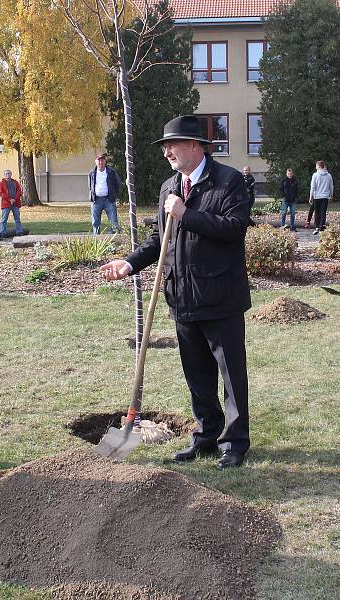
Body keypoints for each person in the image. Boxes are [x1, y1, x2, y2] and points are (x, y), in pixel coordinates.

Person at [100, 115, 251, 470]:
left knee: (231, 375)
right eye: (165, 146)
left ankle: (234, 443)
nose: (167, 151)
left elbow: (234, 229)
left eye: (173, 144)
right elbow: (159, 240)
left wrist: (186, 214)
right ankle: (206, 436)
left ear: (195, 146)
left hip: (220, 297)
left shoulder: (229, 182)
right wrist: (130, 263)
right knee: (197, 375)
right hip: (181, 296)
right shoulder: (170, 186)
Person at [89, 153, 122, 234]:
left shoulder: (111, 172)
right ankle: (96, 239)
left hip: (109, 200)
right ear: (96, 162)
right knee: (95, 222)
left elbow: (118, 184)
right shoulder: (92, 173)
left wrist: (114, 195)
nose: (101, 162)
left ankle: (115, 239)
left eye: (102, 160)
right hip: (96, 200)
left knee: (113, 221)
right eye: (99, 161)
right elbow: (90, 186)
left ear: (105, 161)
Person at [308, 160, 333, 235]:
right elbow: (331, 186)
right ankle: (322, 226)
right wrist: (331, 194)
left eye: (316, 166)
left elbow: (313, 186)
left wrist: (311, 196)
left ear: (319, 166)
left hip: (317, 196)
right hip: (325, 196)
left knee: (317, 212)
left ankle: (316, 227)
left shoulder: (315, 175)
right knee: (323, 212)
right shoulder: (329, 175)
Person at [0, 169, 24, 238]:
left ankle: (19, 232)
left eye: (9, 173)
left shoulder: (15, 182)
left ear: (11, 174)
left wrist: (15, 199)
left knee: (17, 219)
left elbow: (19, 191)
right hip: (6, 204)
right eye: (6, 173)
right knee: (4, 219)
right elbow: (1, 193)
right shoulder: (1, 183)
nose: (7, 175)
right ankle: (3, 233)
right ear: (4, 175)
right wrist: (10, 199)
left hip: (15, 203)